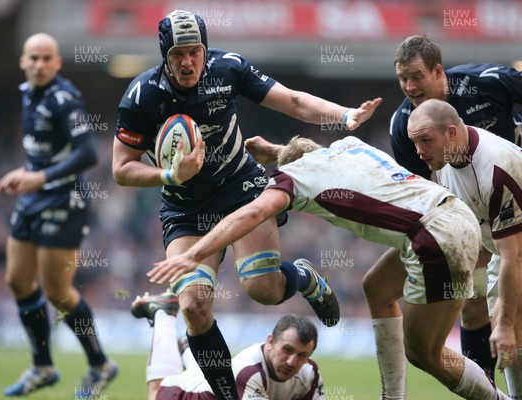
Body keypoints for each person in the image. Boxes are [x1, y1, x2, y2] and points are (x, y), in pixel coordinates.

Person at [112, 9, 381, 400]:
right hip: (185, 209)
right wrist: (171, 175)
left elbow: (292, 101)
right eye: (177, 55)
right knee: (193, 306)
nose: (188, 62)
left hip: (243, 189)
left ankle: (301, 278)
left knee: (263, 290)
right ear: (164, 56)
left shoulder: (228, 68)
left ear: (205, 49)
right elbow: (121, 169)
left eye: (194, 51)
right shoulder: (141, 96)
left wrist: (343, 115)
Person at [149, 134, 511, 400]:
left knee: (424, 352)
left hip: (433, 237)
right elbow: (309, 156)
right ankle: (393, 397)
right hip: (454, 215)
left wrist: (194, 253)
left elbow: (256, 211)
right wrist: (278, 151)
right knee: (377, 288)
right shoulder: (350, 147)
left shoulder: (292, 180)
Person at [374, 34, 522, 385]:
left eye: (416, 76)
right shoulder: (405, 128)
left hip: (511, 192)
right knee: (472, 304)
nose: (409, 86)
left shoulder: (486, 83)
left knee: (509, 306)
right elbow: (425, 195)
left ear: (438, 71)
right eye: (402, 78)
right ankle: (486, 390)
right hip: (474, 211)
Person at [0, 33, 117, 398]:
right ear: (23, 61)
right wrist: (25, 172)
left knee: (57, 292)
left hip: (64, 203)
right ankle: (43, 366)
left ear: (57, 62)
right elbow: (46, 152)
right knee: (17, 281)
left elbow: (87, 154)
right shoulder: (27, 93)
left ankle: (99, 365)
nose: (39, 64)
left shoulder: (66, 100)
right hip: (33, 198)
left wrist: (38, 177)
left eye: (47, 58)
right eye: (33, 58)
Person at [407, 99, 522, 398]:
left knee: (511, 325)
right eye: (415, 141)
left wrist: (508, 323)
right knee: (504, 325)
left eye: (426, 140)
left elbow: (515, 256)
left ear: (452, 132)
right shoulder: (442, 163)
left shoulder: (497, 168)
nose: (419, 150)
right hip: (504, 251)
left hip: (515, 252)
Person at [131, 291, 324, 400]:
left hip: (217, 382)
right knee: (156, 392)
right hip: (185, 395)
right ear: (270, 342)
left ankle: (189, 351)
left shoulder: (310, 373)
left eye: (302, 355)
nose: (292, 361)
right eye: (287, 350)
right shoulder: (249, 372)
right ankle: (162, 313)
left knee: (209, 372)